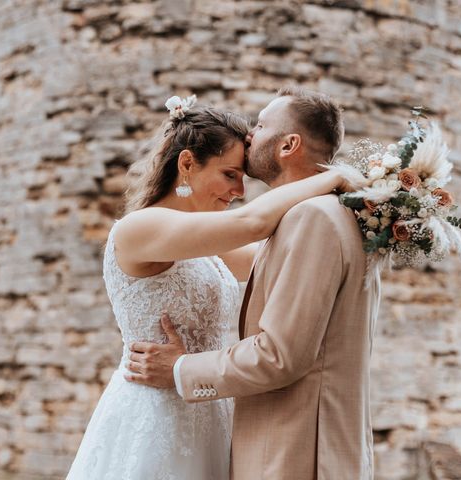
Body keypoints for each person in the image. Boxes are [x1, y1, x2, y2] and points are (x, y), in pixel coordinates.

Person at [66, 97, 353, 480]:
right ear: (187, 163)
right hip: (155, 414)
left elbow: (282, 260)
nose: (239, 190)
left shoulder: (208, 241)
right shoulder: (140, 228)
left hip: (210, 410)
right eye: (230, 174)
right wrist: (333, 177)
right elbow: (254, 223)